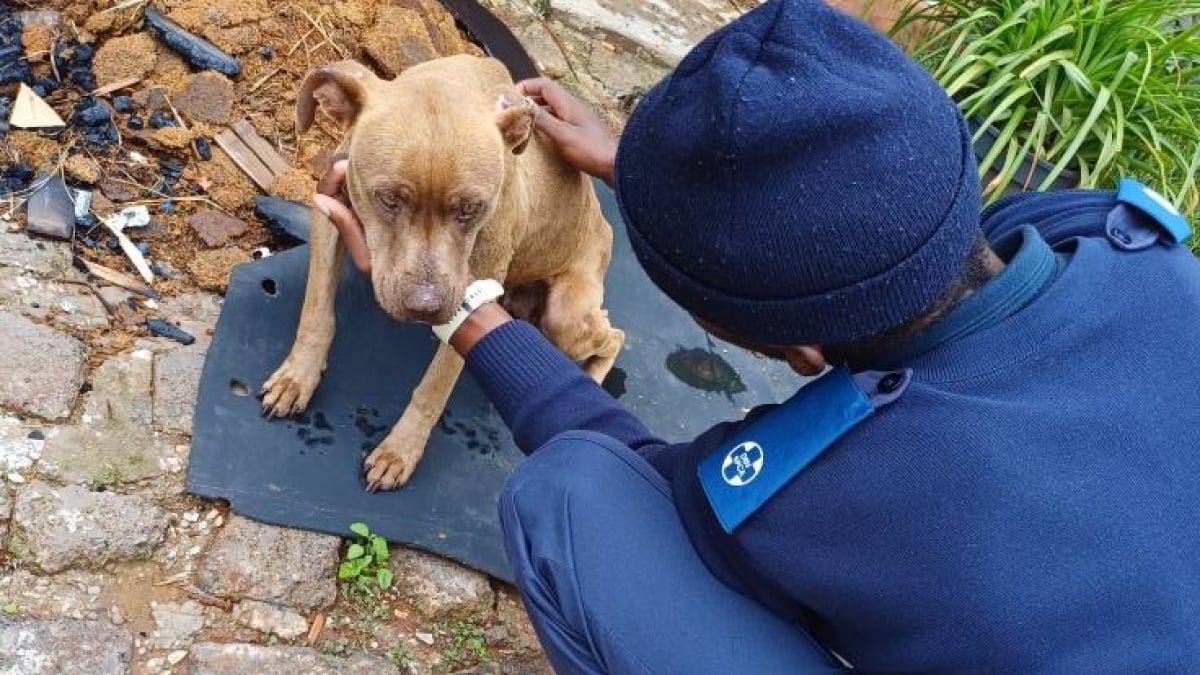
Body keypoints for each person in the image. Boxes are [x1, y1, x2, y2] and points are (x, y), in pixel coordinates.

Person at [314, 0, 1200, 671]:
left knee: (568, 494)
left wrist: (468, 313)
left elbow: (635, 475)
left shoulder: (829, 487)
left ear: (793, 351)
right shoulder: (1136, 253)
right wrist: (637, 162)